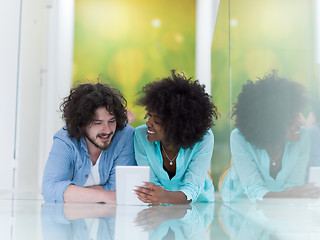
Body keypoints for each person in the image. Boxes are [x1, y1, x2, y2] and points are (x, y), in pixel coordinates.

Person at [220, 71, 320, 203]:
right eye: (290, 121)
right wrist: (288, 196)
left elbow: (294, 186)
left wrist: (292, 196)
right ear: (271, 125)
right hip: (241, 205)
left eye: (297, 115)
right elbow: (253, 190)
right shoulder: (239, 138)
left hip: (282, 207)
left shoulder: (303, 136)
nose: (298, 124)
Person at [134, 70, 219, 204]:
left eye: (157, 121)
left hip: (197, 209)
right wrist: (159, 198)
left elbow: (192, 187)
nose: (148, 123)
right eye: (149, 115)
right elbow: (151, 186)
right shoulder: (140, 136)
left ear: (177, 126)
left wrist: (164, 196)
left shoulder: (204, 138)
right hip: (157, 210)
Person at [42, 83, 136, 203]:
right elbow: (50, 189)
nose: (107, 130)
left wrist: (68, 191)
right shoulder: (64, 139)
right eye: (98, 123)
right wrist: (105, 196)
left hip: (109, 217)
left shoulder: (125, 135)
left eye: (111, 121)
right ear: (81, 123)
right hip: (71, 218)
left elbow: (119, 190)